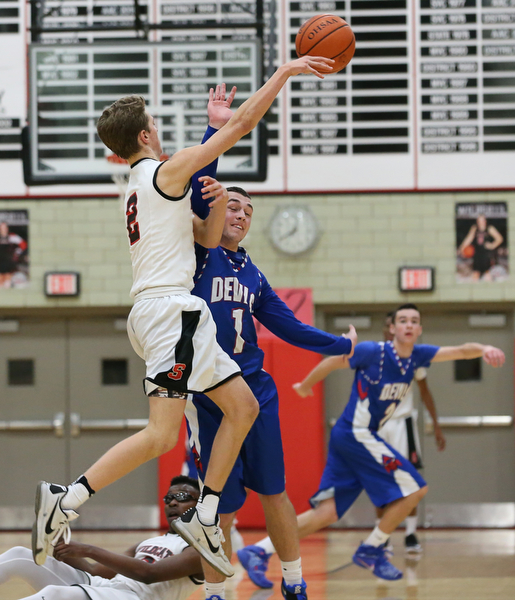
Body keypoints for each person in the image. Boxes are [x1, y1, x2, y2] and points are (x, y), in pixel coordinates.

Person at [32, 53, 336, 578]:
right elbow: (243, 125)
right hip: (171, 313)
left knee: (243, 407)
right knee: (160, 436)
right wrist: (283, 73)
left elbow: (207, 237)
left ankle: (207, 510)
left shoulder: (140, 184)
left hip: (173, 314)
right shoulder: (161, 173)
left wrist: (215, 187)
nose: (159, 128)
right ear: (146, 135)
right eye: (154, 123)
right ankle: (66, 497)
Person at [238, 303, 505, 583]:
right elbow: (332, 360)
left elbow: (461, 350)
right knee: (415, 489)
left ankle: (258, 550)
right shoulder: (372, 351)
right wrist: (305, 385)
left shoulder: (417, 356)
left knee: (326, 514)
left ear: (420, 329)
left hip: (354, 437)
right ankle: (373, 547)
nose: (409, 325)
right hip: (356, 433)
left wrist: (485, 348)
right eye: (403, 320)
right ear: (392, 327)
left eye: (415, 321)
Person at [187, 183, 357, 600]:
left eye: (248, 210)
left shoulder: (253, 274)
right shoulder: (195, 254)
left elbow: (289, 326)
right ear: (213, 212)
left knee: (274, 492)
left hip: (256, 390)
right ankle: (215, 592)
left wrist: (340, 345)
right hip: (210, 394)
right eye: (232, 207)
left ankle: (295, 580)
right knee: (218, 507)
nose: (241, 215)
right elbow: (193, 193)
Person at [2, 476, 203, 600]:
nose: (173, 502)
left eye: (183, 497)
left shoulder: (200, 550)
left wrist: (88, 549)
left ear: (201, 506)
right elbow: (94, 570)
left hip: (133, 598)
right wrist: (53, 536)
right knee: (19, 556)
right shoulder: (148, 543)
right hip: (106, 589)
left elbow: (148, 574)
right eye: (169, 498)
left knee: (56, 594)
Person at [377, 311, 446, 554]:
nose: (392, 329)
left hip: (404, 425)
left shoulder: (413, 358)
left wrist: (435, 424)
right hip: (379, 427)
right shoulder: (374, 356)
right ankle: (381, 536)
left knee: (410, 482)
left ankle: (410, 534)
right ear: (389, 329)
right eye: (389, 325)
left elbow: (425, 392)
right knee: (380, 481)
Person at [457, 213, 503, 281]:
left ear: (485, 221)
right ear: (477, 221)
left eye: (482, 220)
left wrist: (492, 245)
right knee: (476, 273)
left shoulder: (489, 228)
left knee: (487, 274)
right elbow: (468, 239)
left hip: (487, 254)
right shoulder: (475, 228)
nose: (481, 222)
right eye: (479, 221)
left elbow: (499, 238)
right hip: (477, 254)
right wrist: (461, 248)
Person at [0, 221, 27, 288]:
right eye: (2, 228)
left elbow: (23, 244)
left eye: (5, 227)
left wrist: (17, 253)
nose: (3, 229)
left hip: (8, 262)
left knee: (7, 282)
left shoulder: (12, 237)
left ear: (7, 228)